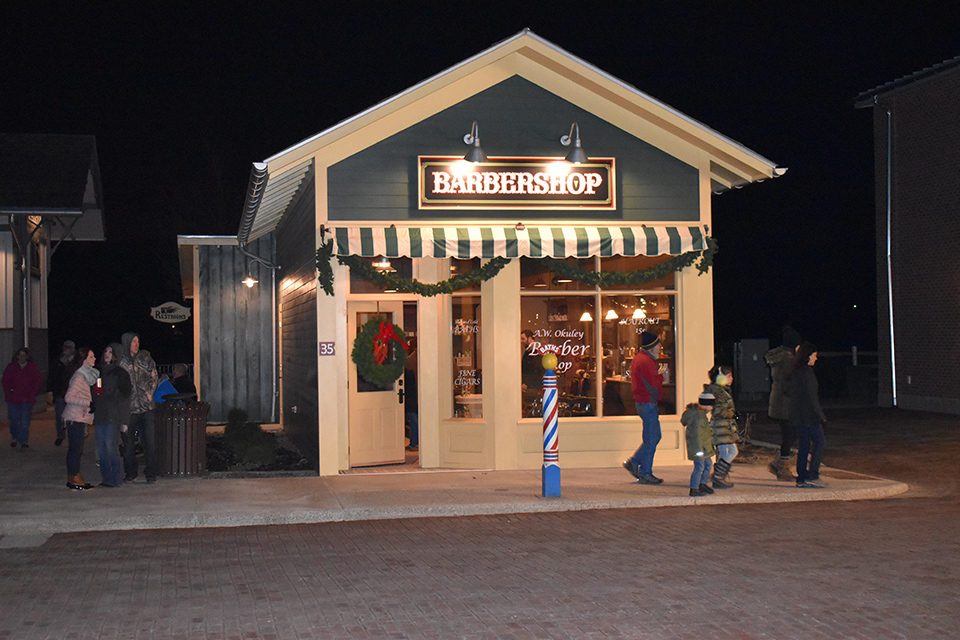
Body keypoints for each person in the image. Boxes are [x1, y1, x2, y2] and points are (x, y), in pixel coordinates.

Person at [622, 331, 665, 484]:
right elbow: (653, 383)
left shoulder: (641, 359)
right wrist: (662, 377)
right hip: (647, 403)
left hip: (644, 403)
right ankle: (644, 471)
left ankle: (634, 463)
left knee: (653, 437)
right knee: (652, 438)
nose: (660, 347)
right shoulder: (646, 361)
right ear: (652, 346)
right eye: (658, 344)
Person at [118, 332, 159, 484]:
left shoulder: (146, 358)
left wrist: (148, 394)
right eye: (133, 341)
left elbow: (154, 377)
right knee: (128, 444)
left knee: (150, 442)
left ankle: (151, 473)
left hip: (147, 408)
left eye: (137, 341)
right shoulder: (121, 362)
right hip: (129, 410)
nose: (136, 344)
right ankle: (130, 472)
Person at [765, 326, 801, 481]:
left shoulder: (780, 358)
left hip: (780, 402)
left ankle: (779, 462)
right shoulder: (787, 360)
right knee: (790, 435)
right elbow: (787, 383)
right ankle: (782, 466)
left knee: (790, 434)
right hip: (786, 403)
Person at [789, 341, 827, 489]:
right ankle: (813, 475)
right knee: (820, 442)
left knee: (804, 445)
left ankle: (802, 477)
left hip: (798, 416)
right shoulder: (807, 373)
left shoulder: (796, 371)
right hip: (809, 416)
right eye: (814, 356)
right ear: (808, 356)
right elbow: (812, 397)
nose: (815, 358)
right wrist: (820, 415)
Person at [94, 344, 131, 487]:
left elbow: (125, 398)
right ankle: (106, 478)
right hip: (100, 414)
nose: (107, 354)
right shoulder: (99, 371)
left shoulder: (120, 373)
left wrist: (124, 421)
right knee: (101, 447)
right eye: (106, 351)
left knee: (110, 446)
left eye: (110, 352)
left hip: (113, 414)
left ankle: (116, 478)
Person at [63, 347, 99, 490]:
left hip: (80, 417)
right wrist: (87, 403)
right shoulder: (79, 377)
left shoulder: (87, 376)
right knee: (75, 450)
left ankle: (73, 478)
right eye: (91, 357)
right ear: (84, 360)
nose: (94, 359)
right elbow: (69, 397)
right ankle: (74, 479)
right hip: (75, 418)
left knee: (76, 449)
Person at [705, 364, 739, 489]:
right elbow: (719, 410)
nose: (731, 378)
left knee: (724, 451)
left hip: (722, 426)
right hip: (721, 427)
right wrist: (732, 414)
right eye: (729, 376)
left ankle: (718, 477)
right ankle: (718, 476)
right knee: (733, 451)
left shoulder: (719, 390)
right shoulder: (719, 392)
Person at [3, 348, 42, 449]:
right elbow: (5, 381)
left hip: (27, 400)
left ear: (27, 357)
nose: (22, 358)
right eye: (20, 355)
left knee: (24, 421)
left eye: (24, 356)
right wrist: (9, 393)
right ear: (17, 356)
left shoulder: (32, 368)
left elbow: (37, 382)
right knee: (14, 420)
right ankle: (14, 437)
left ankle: (23, 441)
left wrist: (31, 394)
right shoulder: (11, 367)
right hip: (13, 399)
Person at [684, 392, 716, 497]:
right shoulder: (698, 417)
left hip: (703, 447)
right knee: (699, 467)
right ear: (706, 405)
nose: (711, 408)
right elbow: (697, 435)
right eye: (711, 406)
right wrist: (699, 450)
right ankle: (694, 488)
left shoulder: (701, 415)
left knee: (708, 464)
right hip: (699, 448)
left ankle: (702, 484)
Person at [51, 340, 79, 446]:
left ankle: (73, 436)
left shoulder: (76, 363)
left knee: (73, 416)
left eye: (69, 348)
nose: (67, 350)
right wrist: (52, 391)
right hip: (60, 393)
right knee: (60, 416)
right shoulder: (58, 361)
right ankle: (60, 435)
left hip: (73, 393)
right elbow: (53, 377)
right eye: (65, 347)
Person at [404, 339, 418, 451]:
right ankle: (416, 442)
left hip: (413, 394)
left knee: (414, 419)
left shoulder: (411, 359)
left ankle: (414, 442)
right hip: (417, 393)